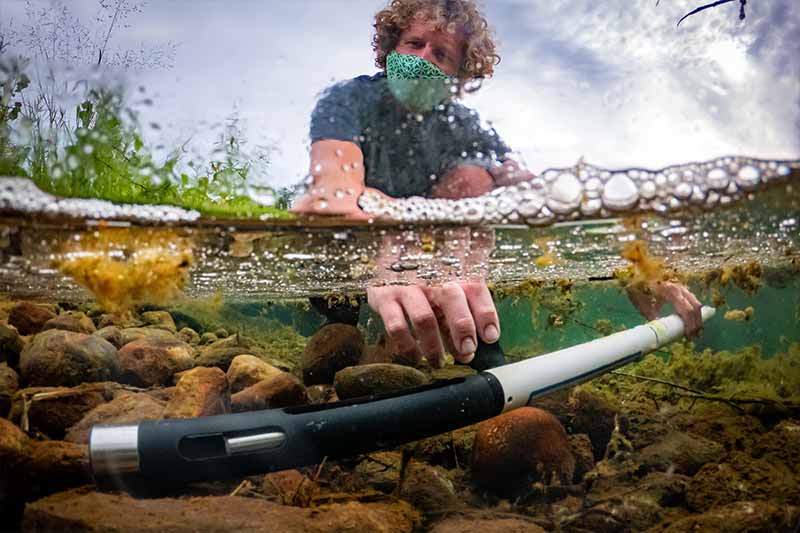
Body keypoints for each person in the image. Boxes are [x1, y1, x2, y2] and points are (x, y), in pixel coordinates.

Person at [293, 0, 703, 368]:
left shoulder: (467, 128)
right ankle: (339, 343)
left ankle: (472, 335)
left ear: (459, 73)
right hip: (354, 249)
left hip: (442, 259)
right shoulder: (347, 99)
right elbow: (333, 192)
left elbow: (537, 196)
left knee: (475, 177)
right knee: (339, 332)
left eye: (441, 53)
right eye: (414, 43)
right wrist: (392, 244)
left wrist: (633, 260)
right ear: (390, 48)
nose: (423, 59)